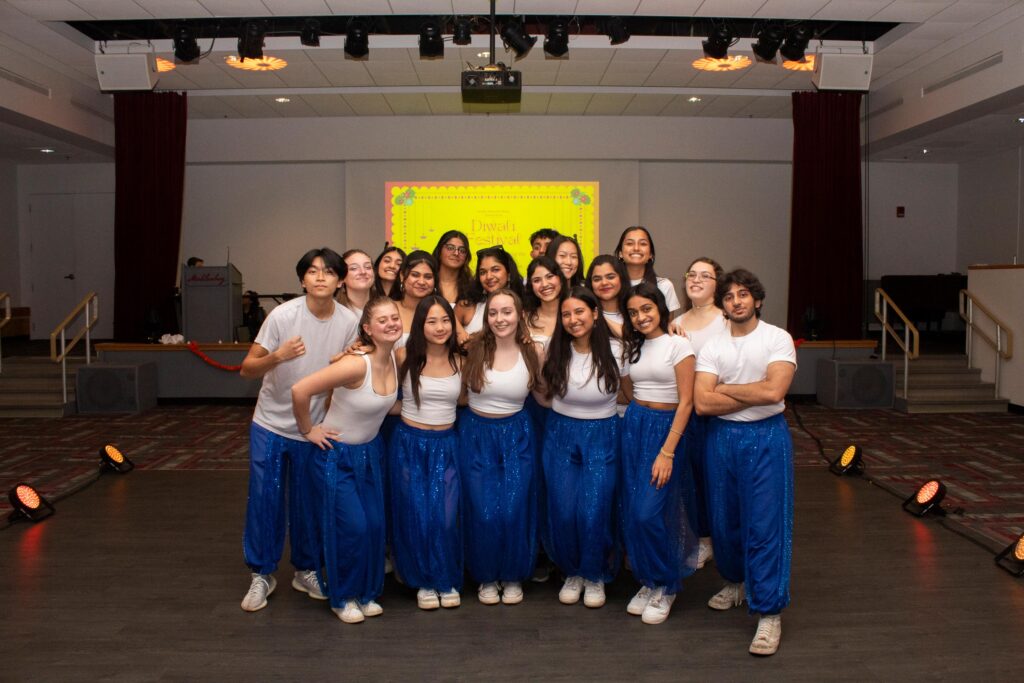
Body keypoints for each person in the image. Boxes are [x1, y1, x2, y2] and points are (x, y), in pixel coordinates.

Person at [238, 247, 359, 613]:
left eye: (329, 272)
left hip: (313, 428)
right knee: (266, 499)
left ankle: (306, 569)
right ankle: (262, 573)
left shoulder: (349, 321)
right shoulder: (282, 316)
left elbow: (347, 375)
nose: (320, 277)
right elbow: (247, 369)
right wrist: (278, 356)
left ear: (340, 282)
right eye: (313, 271)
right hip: (271, 424)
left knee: (309, 504)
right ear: (302, 280)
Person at [694, 269, 796, 657]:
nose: (736, 301)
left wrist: (725, 389)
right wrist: (752, 392)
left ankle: (769, 611)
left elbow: (775, 392)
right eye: (729, 296)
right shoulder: (713, 347)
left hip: (767, 436)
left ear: (757, 299)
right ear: (722, 305)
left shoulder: (777, 338)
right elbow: (703, 403)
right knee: (725, 520)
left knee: (765, 523)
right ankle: (736, 582)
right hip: (721, 438)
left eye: (743, 294)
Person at [291, 296, 403, 623]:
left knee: (374, 526)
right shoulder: (355, 363)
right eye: (382, 320)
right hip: (335, 457)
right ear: (368, 328)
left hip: (368, 455)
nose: (391, 324)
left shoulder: (394, 358)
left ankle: (365, 593)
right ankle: (344, 597)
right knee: (353, 527)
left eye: (394, 317)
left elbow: (386, 406)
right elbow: (300, 390)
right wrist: (308, 430)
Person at [539, 286, 626, 609]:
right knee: (563, 508)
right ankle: (573, 571)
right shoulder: (555, 349)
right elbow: (544, 392)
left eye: (580, 312)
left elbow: (629, 393)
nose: (573, 319)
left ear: (595, 313)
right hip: (560, 434)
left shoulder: (617, 350)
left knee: (594, 508)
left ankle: (595, 574)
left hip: (603, 433)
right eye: (566, 314)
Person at [619, 282, 697, 625]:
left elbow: (687, 401)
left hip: (667, 430)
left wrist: (667, 451)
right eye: (633, 312)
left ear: (661, 309)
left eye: (646, 309)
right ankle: (649, 579)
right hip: (635, 425)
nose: (640, 317)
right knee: (633, 509)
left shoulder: (679, 345)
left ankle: (666, 584)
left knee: (649, 512)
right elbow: (628, 389)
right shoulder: (632, 348)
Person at [459, 289, 543, 605]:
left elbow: (543, 394)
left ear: (519, 315)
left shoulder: (534, 350)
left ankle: (512, 575)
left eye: (507, 312)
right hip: (476, 435)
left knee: (513, 508)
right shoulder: (472, 348)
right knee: (483, 510)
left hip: (516, 435)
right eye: (493, 313)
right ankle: (486, 575)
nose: (500, 319)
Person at [389, 295, 464, 610]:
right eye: (431, 321)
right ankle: (423, 581)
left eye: (445, 320)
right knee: (417, 515)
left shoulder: (461, 360)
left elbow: (464, 400)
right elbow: (384, 394)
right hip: (410, 444)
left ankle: (444, 577)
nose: (439, 327)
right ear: (420, 324)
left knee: (445, 517)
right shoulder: (403, 355)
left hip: (446, 445)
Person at [671, 257, 728, 570]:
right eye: (691, 274)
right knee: (692, 478)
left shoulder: (727, 320)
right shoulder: (676, 323)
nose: (696, 279)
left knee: (717, 478)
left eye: (705, 276)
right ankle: (703, 539)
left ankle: (725, 540)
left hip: (718, 413)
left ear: (717, 284)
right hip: (687, 413)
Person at [614, 226, 681, 319]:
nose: (636, 248)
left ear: (650, 254)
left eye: (643, 244)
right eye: (629, 243)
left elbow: (667, 325)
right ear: (620, 253)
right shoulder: (612, 286)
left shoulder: (664, 286)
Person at [456, 246, 525, 335]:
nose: (488, 277)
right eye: (483, 272)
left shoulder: (524, 306)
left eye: (495, 270)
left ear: (509, 274)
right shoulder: (467, 305)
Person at [393, 250, 439, 347]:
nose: (421, 282)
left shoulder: (442, 311)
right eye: (415, 275)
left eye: (428, 277)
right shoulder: (387, 309)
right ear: (402, 276)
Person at [523, 255, 567, 350]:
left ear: (560, 279)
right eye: (537, 280)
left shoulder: (573, 316)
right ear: (531, 286)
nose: (544, 284)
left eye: (550, 277)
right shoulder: (523, 318)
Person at [585, 254, 630, 339]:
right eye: (597, 279)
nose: (604, 283)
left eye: (610, 277)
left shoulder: (633, 311)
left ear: (622, 278)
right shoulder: (585, 315)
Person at [432, 230, 473, 307]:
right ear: (439, 251)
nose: (456, 253)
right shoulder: (427, 282)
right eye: (450, 248)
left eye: (462, 250)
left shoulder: (472, 287)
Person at [336, 249, 375, 315]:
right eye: (354, 268)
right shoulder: (334, 312)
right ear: (342, 277)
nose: (363, 272)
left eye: (368, 267)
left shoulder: (386, 309)